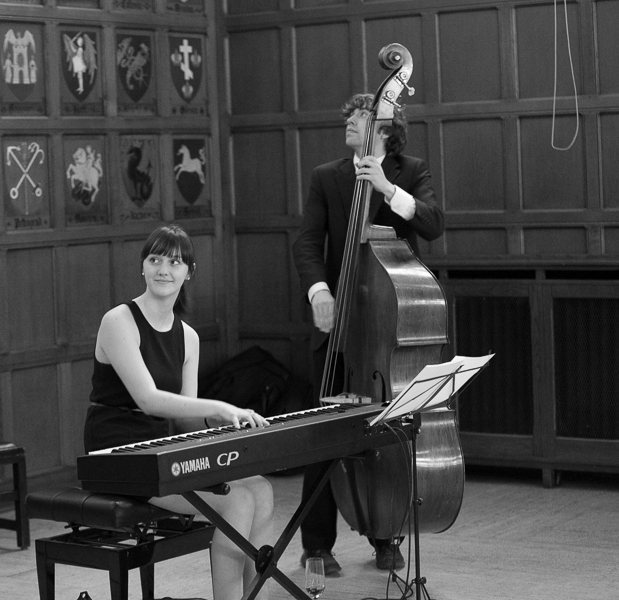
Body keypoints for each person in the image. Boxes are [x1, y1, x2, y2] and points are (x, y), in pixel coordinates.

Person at [291, 93, 445, 575]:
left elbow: (433, 224)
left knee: (386, 435)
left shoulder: (410, 171)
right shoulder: (326, 176)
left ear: (385, 126)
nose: (348, 122)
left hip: (386, 331)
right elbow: (308, 242)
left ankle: (385, 535)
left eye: (359, 116)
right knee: (322, 437)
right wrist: (319, 290)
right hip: (339, 330)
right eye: (349, 115)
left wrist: (387, 188)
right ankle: (317, 545)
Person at [83, 224, 275, 600]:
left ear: (189, 272)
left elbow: (185, 418)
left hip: (159, 448)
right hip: (116, 451)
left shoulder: (188, 336)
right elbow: (148, 400)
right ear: (142, 266)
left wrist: (219, 419)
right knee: (237, 500)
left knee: (261, 489)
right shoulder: (118, 320)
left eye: (174, 262)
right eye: (155, 260)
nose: (163, 270)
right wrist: (219, 406)